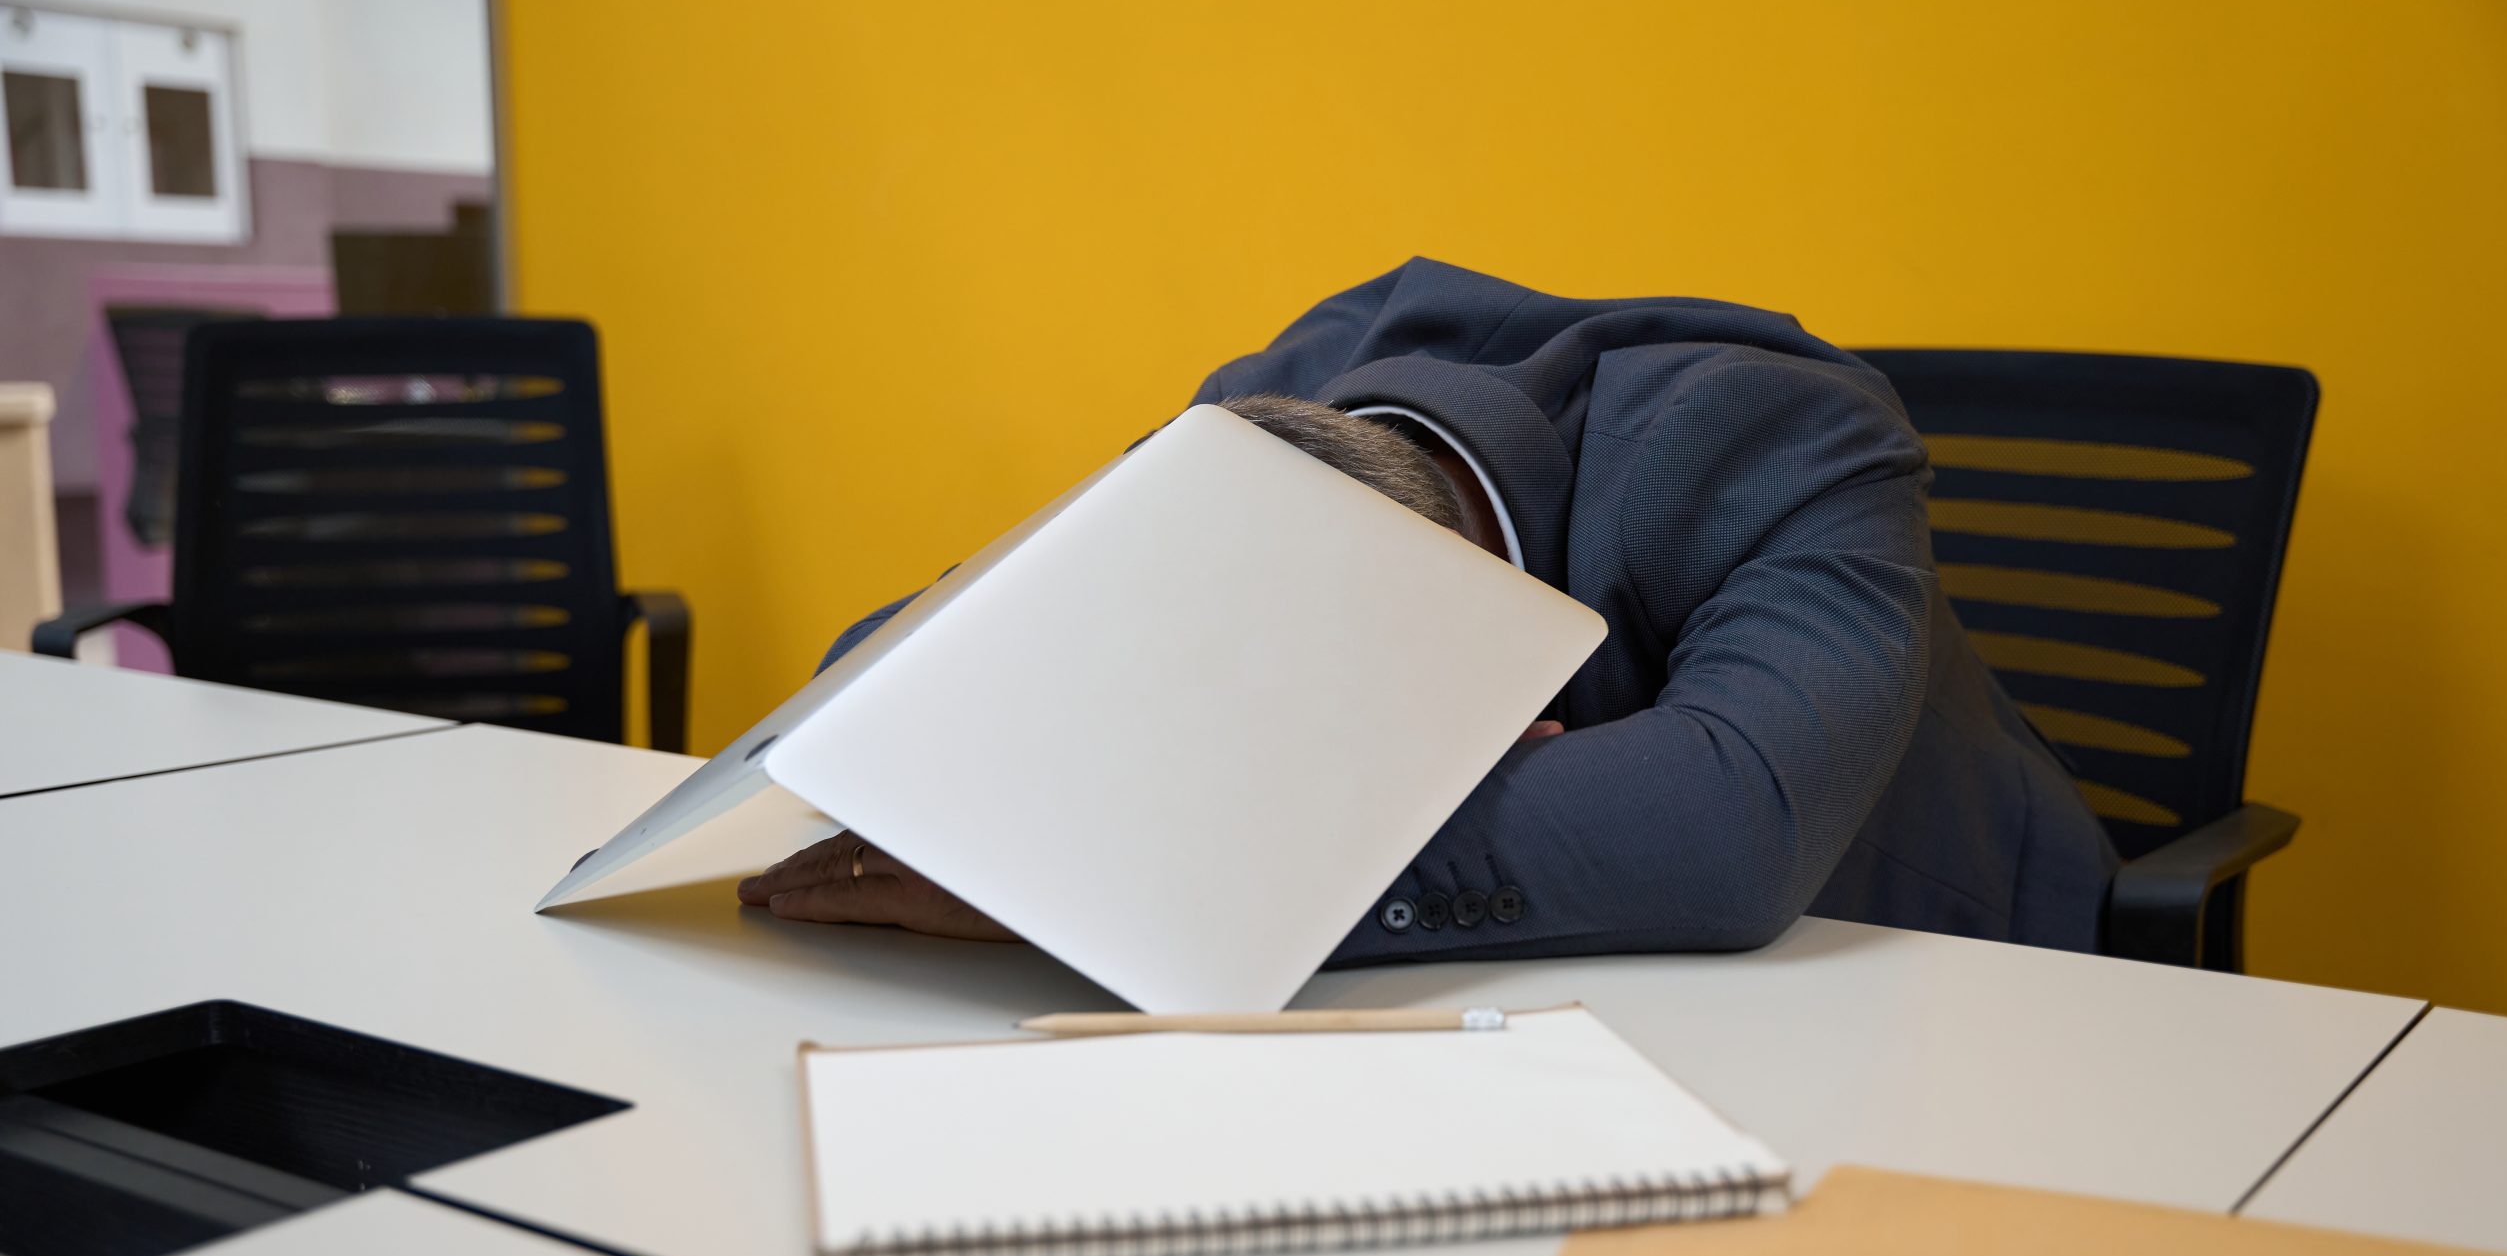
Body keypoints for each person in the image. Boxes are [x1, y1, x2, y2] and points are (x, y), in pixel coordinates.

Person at [740, 258, 2119, 958]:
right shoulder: (1264, 412)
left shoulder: (1774, 438)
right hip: (1550, 996)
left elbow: (1717, 837)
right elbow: (887, 665)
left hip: (1938, 967)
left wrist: (1131, 888)